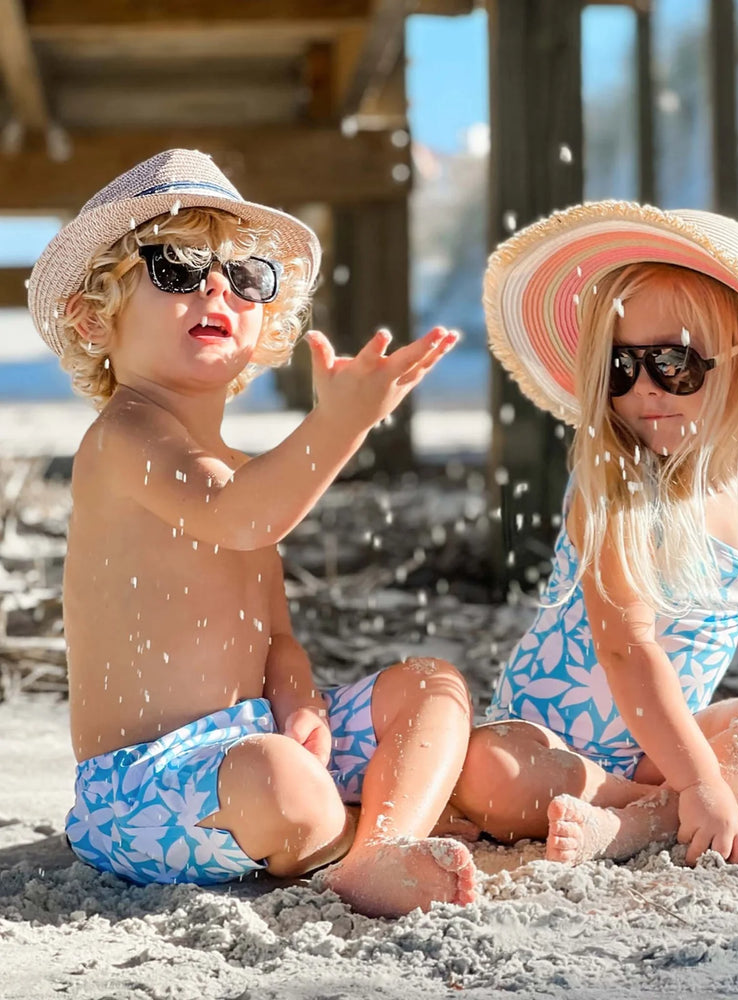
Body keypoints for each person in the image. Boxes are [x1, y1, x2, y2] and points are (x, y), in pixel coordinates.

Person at [29, 148, 477, 918]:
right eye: (176, 266)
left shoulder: (241, 470)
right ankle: (365, 831)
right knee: (280, 780)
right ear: (95, 316)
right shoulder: (121, 440)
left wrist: (299, 699)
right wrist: (339, 425)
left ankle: (376, 847)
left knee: (433, 684)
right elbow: (243, 515)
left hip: (254, 743)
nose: (216, 287)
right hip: (142, 782)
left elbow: (273, 633)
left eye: (244, 278)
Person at [452, 202, 738, 867]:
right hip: (550, 746)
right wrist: (708, 783)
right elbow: (627, 648)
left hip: (664, 753)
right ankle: (665, 810)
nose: (645, 388)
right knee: (485, 770)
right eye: (623, 368)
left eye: (675, 364)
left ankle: (633, 824)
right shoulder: (613, 486)